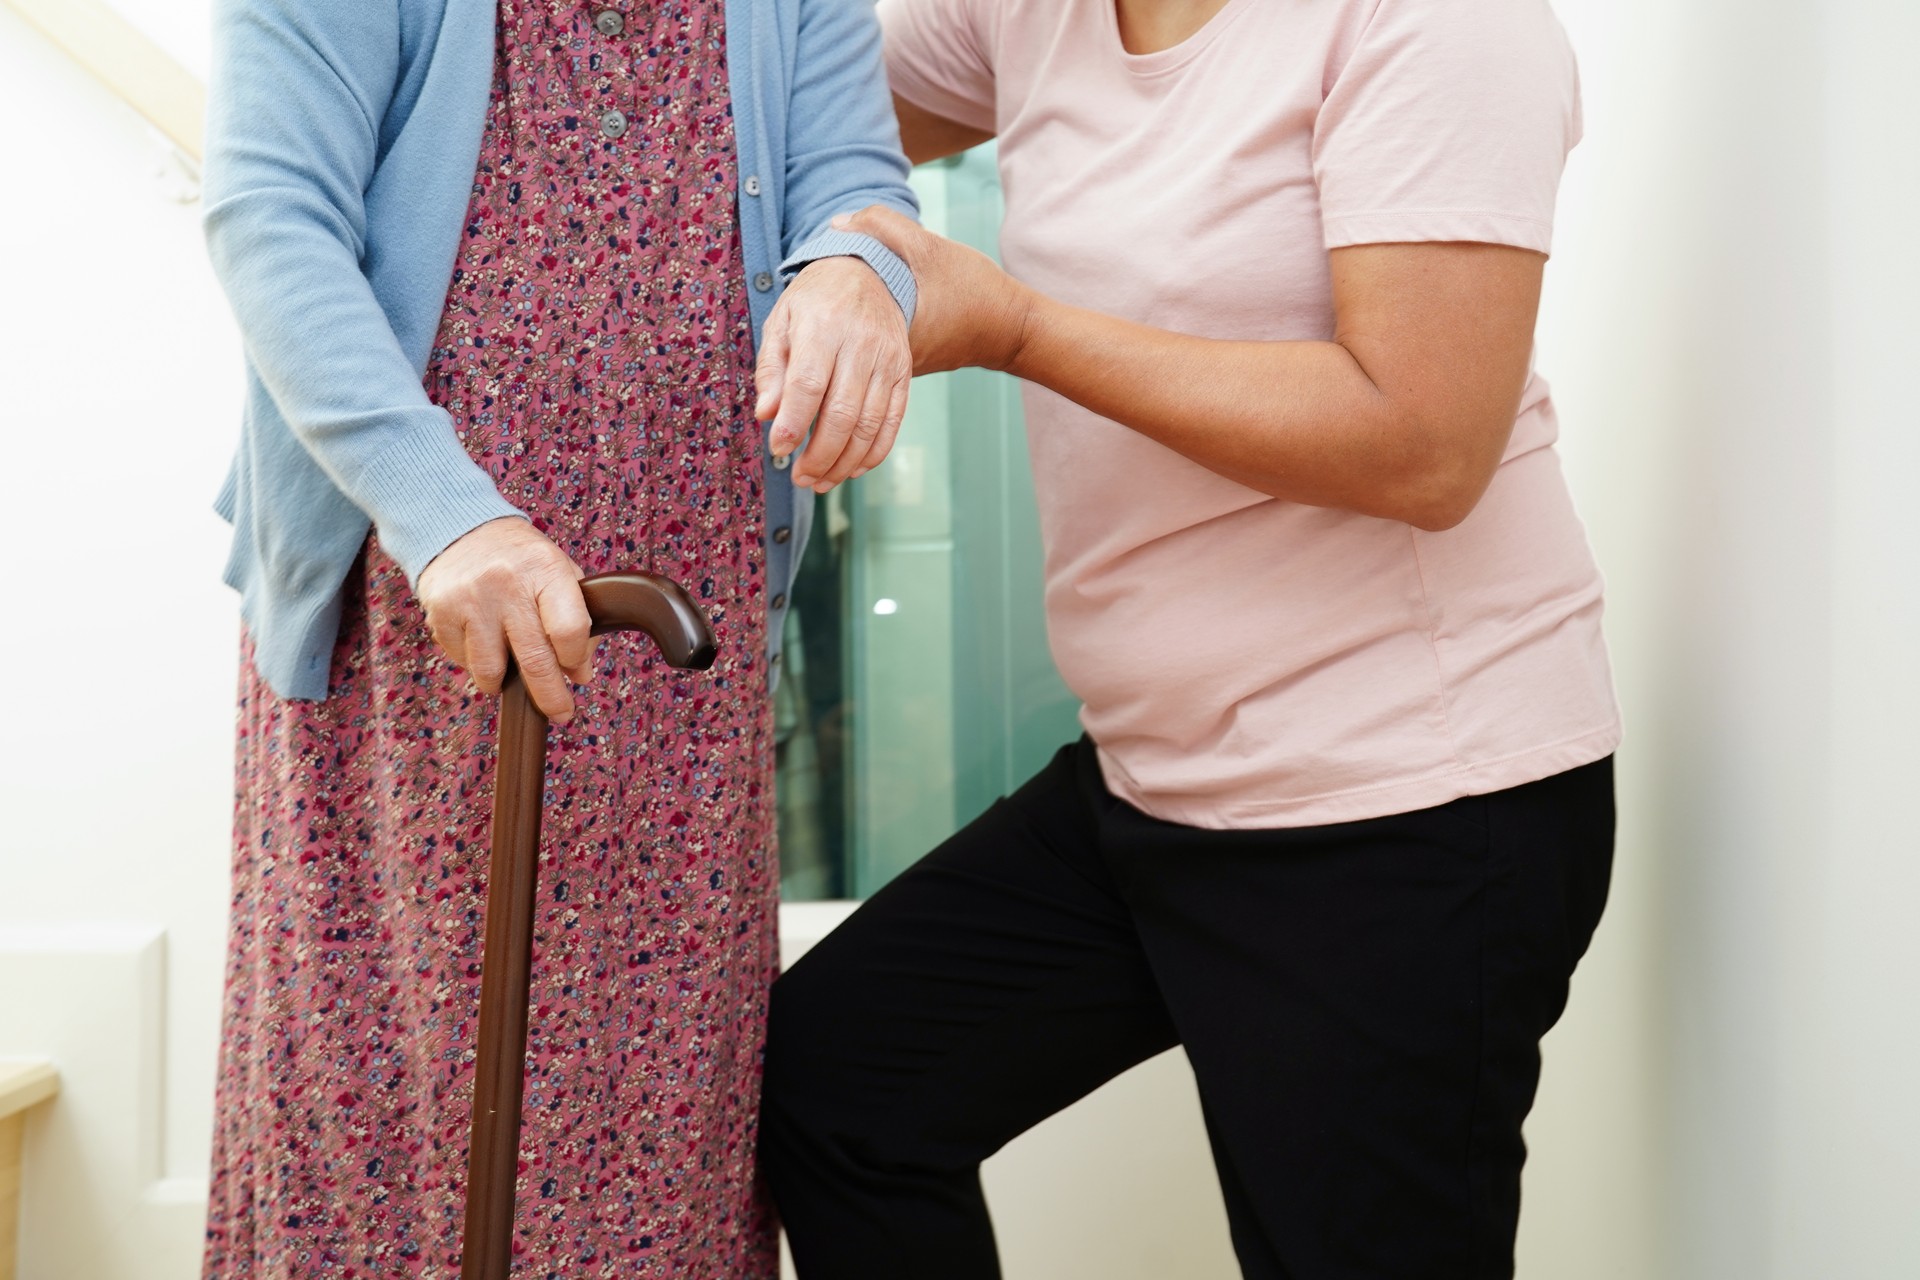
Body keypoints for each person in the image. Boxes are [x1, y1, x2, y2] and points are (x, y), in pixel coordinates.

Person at [756, 0, 1621, 1276]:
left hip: (1407, 802)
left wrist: (1016, 328)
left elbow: (1426, 441)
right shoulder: (1030, 10)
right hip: (1158, 783)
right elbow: (791, 105)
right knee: (840, 1085)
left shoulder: (1434, 22)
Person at [197, 0, 918, 1271]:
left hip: (681, 664)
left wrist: (863, 271)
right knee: (389, 1124)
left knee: (655, 1135)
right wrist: (447, 519)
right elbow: (272, 216)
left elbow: (855, 183)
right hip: (415, 626)